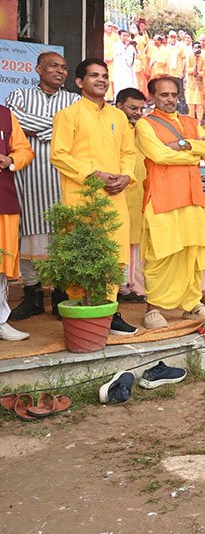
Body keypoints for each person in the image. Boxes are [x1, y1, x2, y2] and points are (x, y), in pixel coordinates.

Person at [50, 58, 138, 335]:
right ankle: (83, 313)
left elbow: (128, 152)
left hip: (114, 195)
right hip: (82, 196)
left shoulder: (118, 117)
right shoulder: (68, 115)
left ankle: (109, 311)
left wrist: (126, 176)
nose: (101, 80)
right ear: (79, 82)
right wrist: (93, 174)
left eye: (104, 75)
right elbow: (59, 155)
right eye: (94, 75)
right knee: (82, 254)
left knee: (114, 254)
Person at [4, 52, 79, 321]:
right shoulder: (19, 95)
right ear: (38, 69)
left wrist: (39, 128)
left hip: (64, 179)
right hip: (28, 179)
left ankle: (60, 295)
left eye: (64, 67)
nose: (60, 71)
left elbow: (77, 130)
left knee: (63, 237)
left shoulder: (74, 100)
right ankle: (32, 296)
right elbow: (16, 122)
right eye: (53, 66)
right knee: (29, 236)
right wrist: (58, 127)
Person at [136, 76, 205, 329]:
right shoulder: (145, 125)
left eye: (173, 95)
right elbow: (159, 154)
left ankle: (191, 303)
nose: (170, 99)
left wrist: (183, 144)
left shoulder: (191, 123)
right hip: (162, 197)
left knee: (192, 253)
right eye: (164, 95)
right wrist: (193, 156)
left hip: (193, 197)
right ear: (153, 97)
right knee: (161, 254)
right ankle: (153, 307)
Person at [0, 105, 35, 341]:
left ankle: (1, 321)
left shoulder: (5, 115)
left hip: (2, 198)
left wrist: (10, 159)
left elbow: (25, 150)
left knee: (0, 264)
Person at [114, 87, 148, 302]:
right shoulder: (114, 126)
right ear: (119, 105)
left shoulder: (143, 129)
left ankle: (128, 287)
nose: (137, 113)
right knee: (118, 240)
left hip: (139, 194)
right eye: (132, 108)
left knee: (134, 243)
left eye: (141, 109)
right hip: (117, 192)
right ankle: (119, 288)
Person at [112, 30, 137, 96]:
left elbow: (136, 55)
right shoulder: (116, 45)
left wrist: (134, 46)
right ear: (119, 36)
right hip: (120, 68)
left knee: (130, 82)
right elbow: (117, 53)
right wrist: (125, 46)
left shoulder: (131, 46)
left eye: (127, 36)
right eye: (124, 36)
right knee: (120, 83)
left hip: (129, 69)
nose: (126, 37)